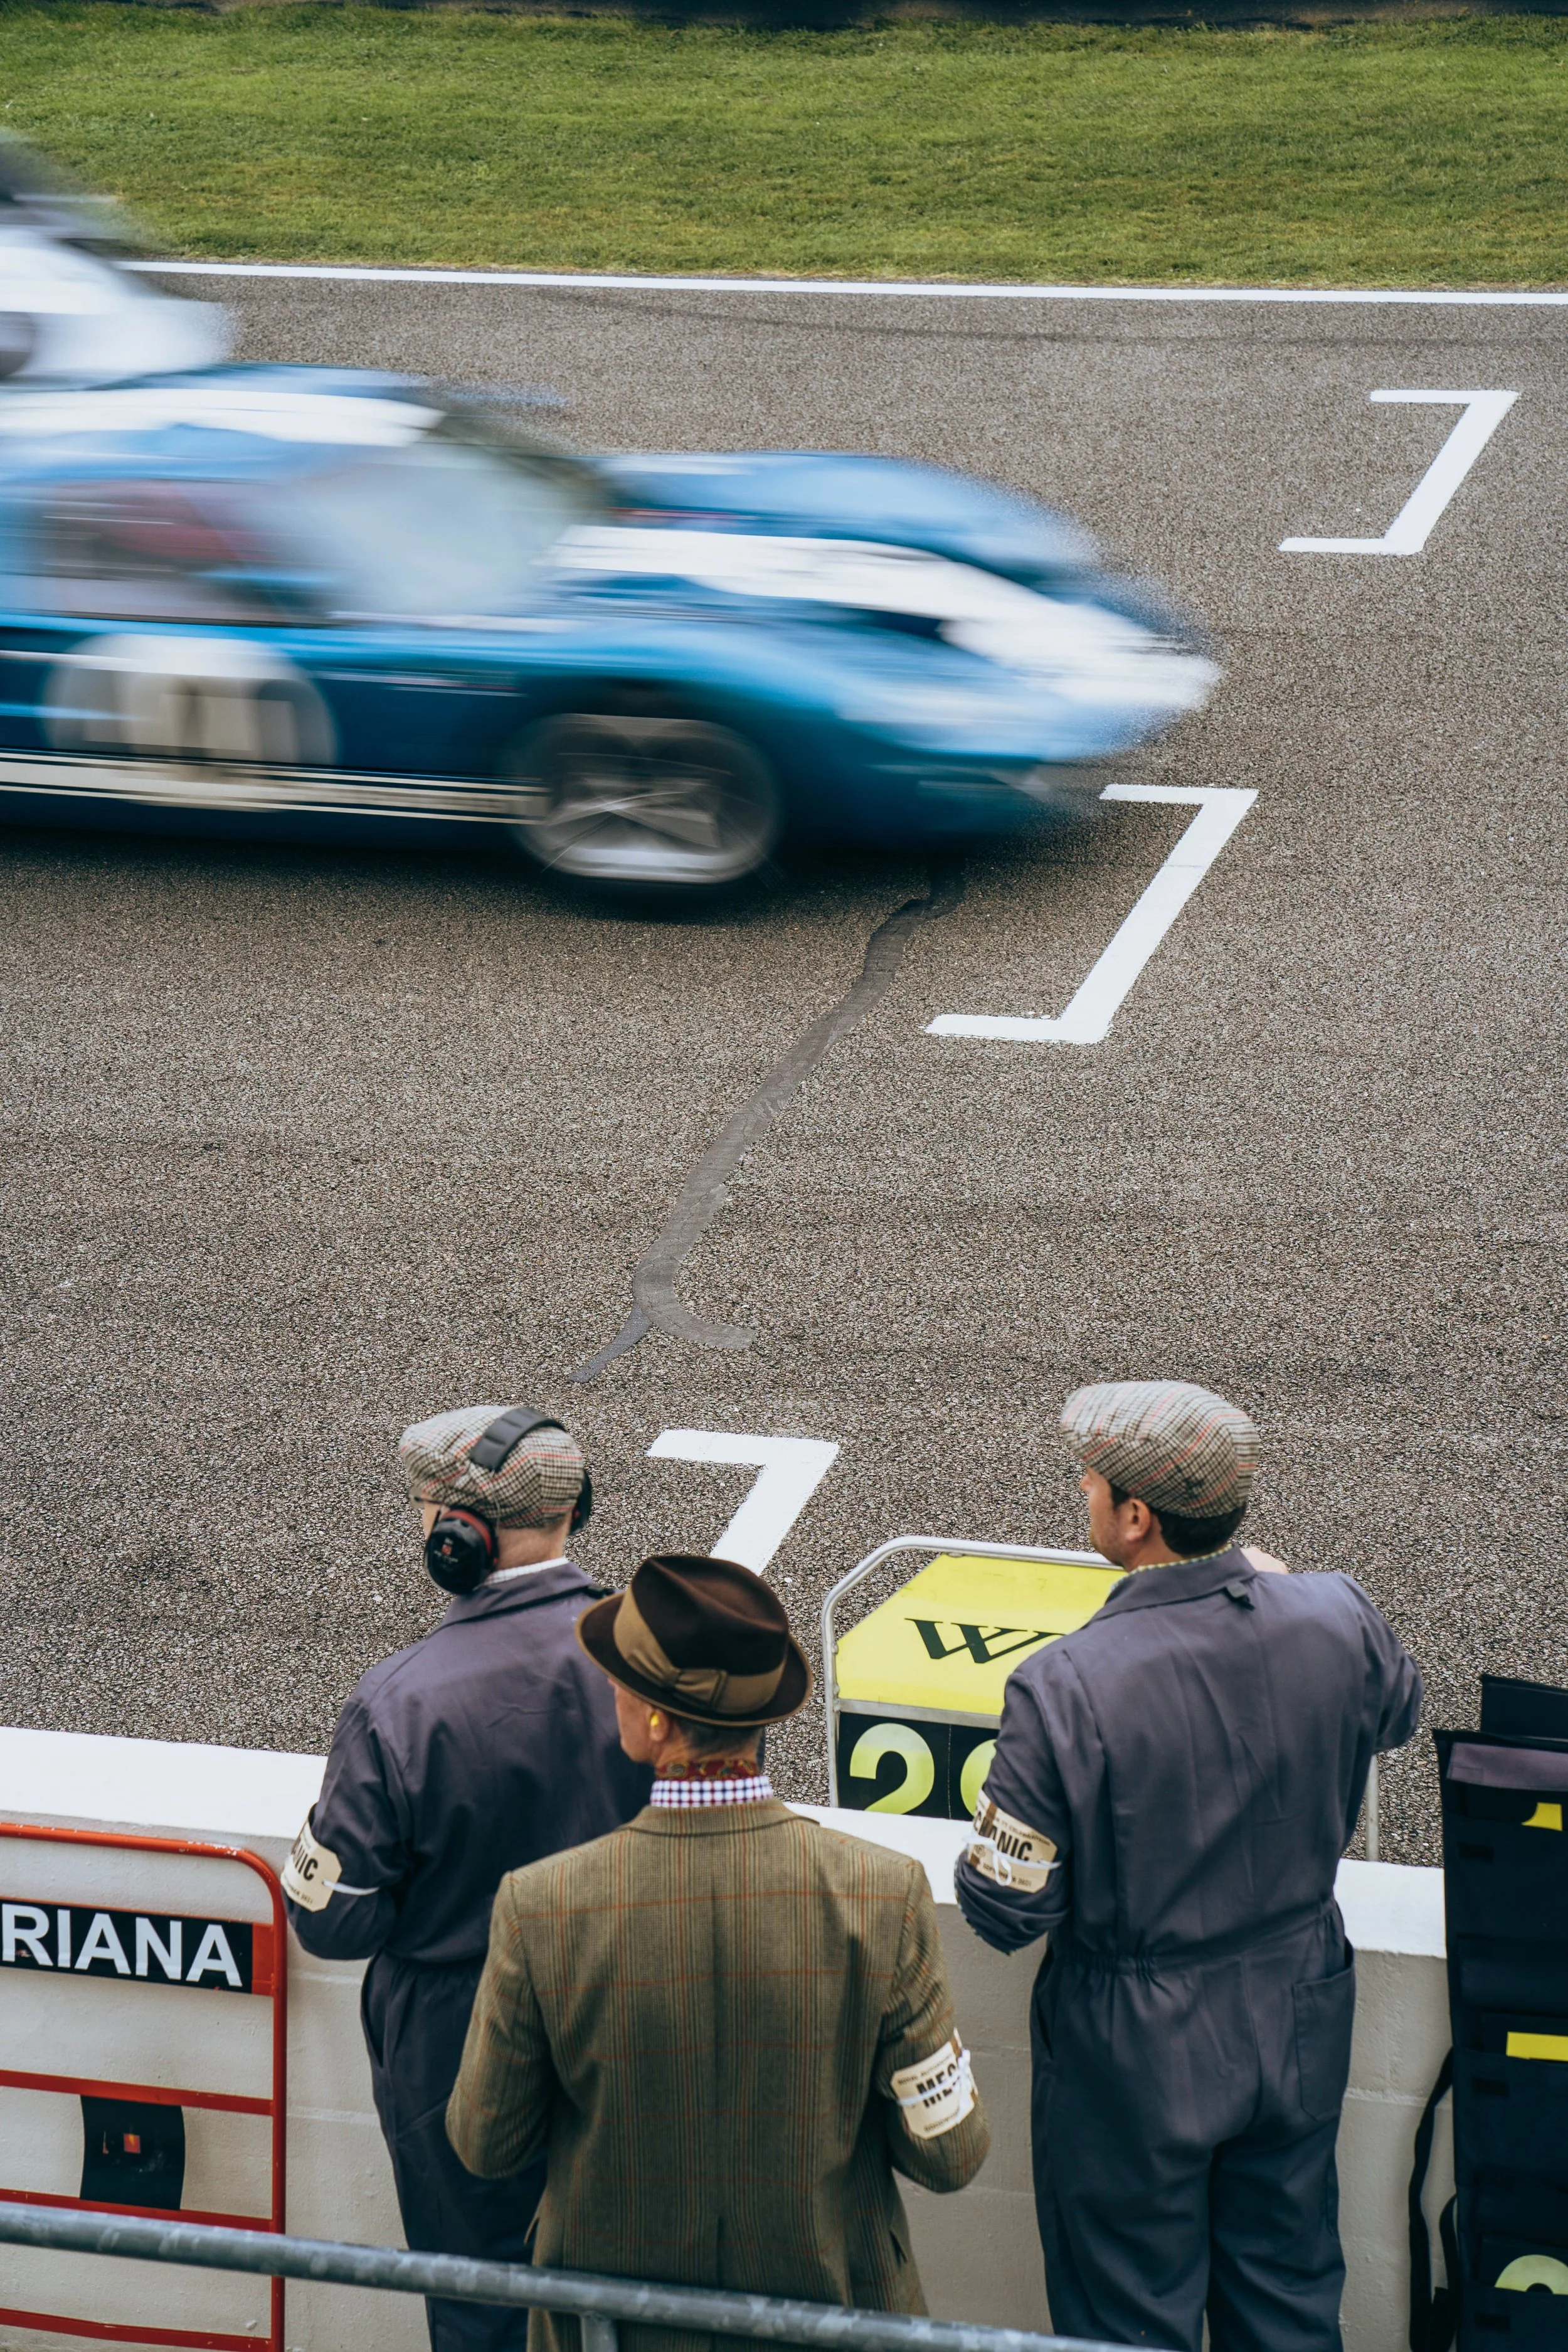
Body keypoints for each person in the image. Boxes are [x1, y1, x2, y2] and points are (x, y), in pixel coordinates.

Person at [955, 1379, 1422, 2352]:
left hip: (1134, 2043)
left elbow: (1003, 1907)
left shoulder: (1064, 1682)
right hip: (1301, 1999)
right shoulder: (1335, 1611)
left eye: (1091, 1479)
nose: (1082, 1491)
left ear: (1137, 1516)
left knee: (1127, 2315)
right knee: (1288, 2295)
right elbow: (1398, 1711)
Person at [447, 1553, 990, 2346]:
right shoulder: (883, 1896)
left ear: (658, 1718)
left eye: (620, 1679)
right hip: (834, 2321)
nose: (609, 1689)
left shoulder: (544, 1906)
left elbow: (486, 2144)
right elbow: (951, 2153)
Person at [281, 1405, 652, 2352]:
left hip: (457, 2036)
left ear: (459, 1536)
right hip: (635, 2003)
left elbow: (334, 1922)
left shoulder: (399, 1699)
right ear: (575, 1510)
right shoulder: (653, 1657)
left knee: (481, 2300)